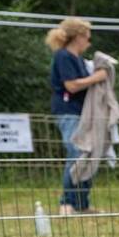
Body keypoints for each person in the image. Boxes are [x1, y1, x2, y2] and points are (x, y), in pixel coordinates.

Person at [45, 18, 108, 214]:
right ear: (78, 37)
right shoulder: (63, 56)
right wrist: (96, 78)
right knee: (76, 153)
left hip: (83, 112)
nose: (89, 42)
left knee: (87, 155)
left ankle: (82, 204)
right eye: (87, 38)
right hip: (68, 111)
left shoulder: (79, 59)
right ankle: (67, 203)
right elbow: (71, 85)